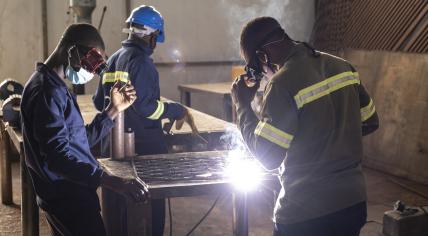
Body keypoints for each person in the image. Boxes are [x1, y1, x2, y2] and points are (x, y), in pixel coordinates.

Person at [231, 17, 379, 236]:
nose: (265, 77)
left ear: (263, 56)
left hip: (306, 214)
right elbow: (369, 121)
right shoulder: (342, 66)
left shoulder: (282, 84)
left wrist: (242, 106)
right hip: (353, 203)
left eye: (260, 70)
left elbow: (268, 157)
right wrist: (330, 141)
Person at [21, 23, 147, 236]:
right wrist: (108, 180)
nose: (89, 73)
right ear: (71, 51)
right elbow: (58, 157)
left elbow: (78, 141)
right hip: (68, 198)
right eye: (89, 64)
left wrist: (112, 110)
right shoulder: (47, 91)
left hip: (68, 194)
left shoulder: (56, 87)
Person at [93, 5, 197, 235]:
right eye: (156, 38)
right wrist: (175, 110)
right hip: (143, 150)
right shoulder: (142, 62)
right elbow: (146, 108)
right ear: (151, 35)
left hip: (113, 148)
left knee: (118, 212)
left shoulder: (112, 60)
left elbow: (99, 102)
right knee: (149, 212)